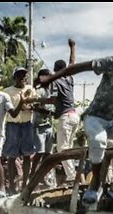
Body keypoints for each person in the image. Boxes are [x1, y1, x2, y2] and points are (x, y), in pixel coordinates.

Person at [34, 39, 113, 206]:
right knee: (99, 140)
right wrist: (52, 78)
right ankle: (95, 184)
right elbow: (78, 67)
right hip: (95, 117)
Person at [24, 39, 80, 186]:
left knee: (62, 148)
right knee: (68, 147)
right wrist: (73, 47)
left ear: (55, 70)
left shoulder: (57, 81)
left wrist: (33, 102)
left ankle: (72, 176)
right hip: (75, 116)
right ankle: (73, 175)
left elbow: (53, 100)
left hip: (66, 117)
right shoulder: (70, 78)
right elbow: (72, 62)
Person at [2, 67, 36, 195]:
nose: (23, 77)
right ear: (14, 77)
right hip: (12, 125)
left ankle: (25, 184)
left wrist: (28, 106)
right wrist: (22, 105)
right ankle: (11, 185)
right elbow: (9, 109)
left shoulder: (31, 90)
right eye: (20, 75)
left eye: (24, 75)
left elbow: (33, 105)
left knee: (27, 154)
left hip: (27, 124)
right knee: (11, 156)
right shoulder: (7, 92)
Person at [29, 69, 56, 188]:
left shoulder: (51, 91)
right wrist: (48, 112)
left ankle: (42, 176)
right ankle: (33, 175)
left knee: (47, 154)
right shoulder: (38, 91)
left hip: (49, 126)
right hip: (38, 126)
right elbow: (33, 106)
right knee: (39, 152)